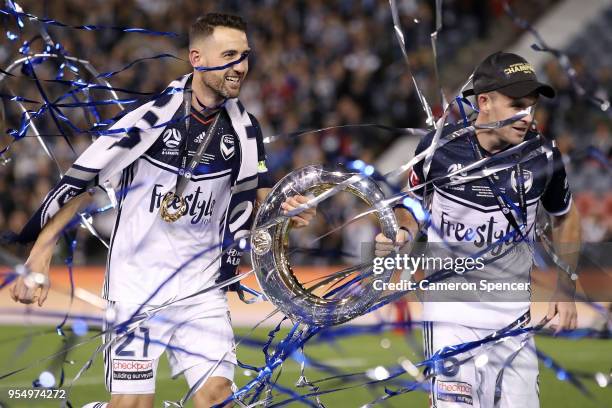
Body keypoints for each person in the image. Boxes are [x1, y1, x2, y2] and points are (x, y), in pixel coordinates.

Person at [10, 13, 315, 408]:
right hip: (137, 288)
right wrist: (40, 254)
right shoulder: (149, 121)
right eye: (229, 55)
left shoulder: (245, 130)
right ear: (197, 58)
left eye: (244, 55)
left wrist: (282, 207)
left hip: (201, 290)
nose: (240, 65)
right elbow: (84, 185)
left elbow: (251, 194)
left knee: (219, 399)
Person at [375, 52, 581, 407]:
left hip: (514, 322)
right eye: (517, 104)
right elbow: (408, 206)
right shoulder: (437, 148)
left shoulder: (544, 155)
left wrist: (566, 285)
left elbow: (565, 215)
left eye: (532, 106)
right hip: (449, 318)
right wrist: (403, 233)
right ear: (484, 102)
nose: (527, 116)